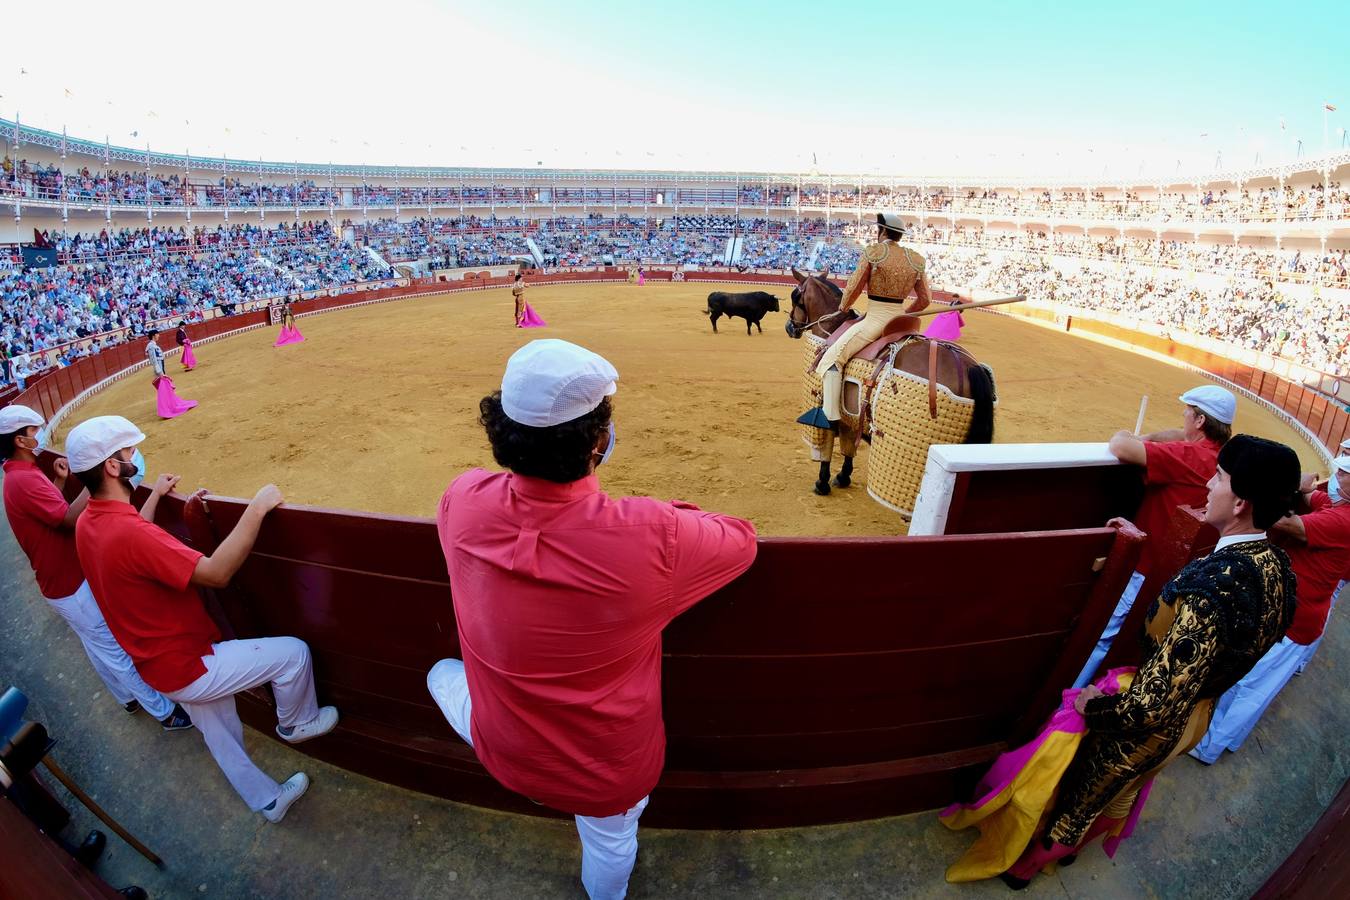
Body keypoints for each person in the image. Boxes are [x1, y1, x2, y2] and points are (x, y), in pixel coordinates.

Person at [427, 339, 757, 899]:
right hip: (607, 773)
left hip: (501, 749)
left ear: (500, 435)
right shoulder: (655, 535)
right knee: (610, 842)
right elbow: (741, 540)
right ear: (599, 441)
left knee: (439, 673)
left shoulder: (462, 499)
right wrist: (667, 516)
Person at [1001, 435, 1300, 888]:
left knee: (1083, 799)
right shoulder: (1275, 565)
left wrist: (1092, 707)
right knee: (1123, 794)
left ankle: (1023, 870)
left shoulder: (1214, 587)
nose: (1207, 484)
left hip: (1150, 728)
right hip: (1200, 713)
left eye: (1218, 478)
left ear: (1240, 503)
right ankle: (1069, 852)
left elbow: (1150, 706)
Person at [66, 415, 338, 822]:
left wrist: (154, 493)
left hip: (154, 667)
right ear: (111, 465)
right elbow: (215, 573)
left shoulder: (89, 521)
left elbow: (133, 530)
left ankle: (268, 800)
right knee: (293, 655)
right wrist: (258, 508)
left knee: (220, 735)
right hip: (189, 662)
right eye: (127, 452)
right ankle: (296, 722)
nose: (135, 456)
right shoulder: (129, 533)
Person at [0, 405, 190, 731]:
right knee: (114, 647)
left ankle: (125, 698)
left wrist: (60, 481)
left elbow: (47, 513)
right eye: (34, 431)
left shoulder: (18, 475)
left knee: (96, 644)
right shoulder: (23, 479)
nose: (40, 432)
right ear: (21, 440)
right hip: (69, 582)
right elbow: (64, 520)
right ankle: (165, 713)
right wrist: (98, 477)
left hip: (59, 581)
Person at [1188, 454, 1350, 763]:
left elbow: (1284, 522)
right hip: (1297, 611)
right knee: (1255, 684)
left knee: (1250, 686)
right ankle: (1224, 740)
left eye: (1344, 474)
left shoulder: (1342, 519)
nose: (1338, 474)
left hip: (1296, 619)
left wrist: (1275, 489)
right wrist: (1303, 489)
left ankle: (1209, 747)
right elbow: (1315, 497)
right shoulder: (1338, 507)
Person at [1072, 385, 1235, 688]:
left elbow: (1120, 446)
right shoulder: (1222, 459)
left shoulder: (1190, 454)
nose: (1184, 415)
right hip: (1174, 576)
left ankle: (1067, 705)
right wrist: (1164, 436)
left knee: (1104, 636)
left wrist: (1128, 434)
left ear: (1200, 421)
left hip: (1145, 569)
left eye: (1188, 411)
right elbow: (1177, 440)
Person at [798, 212, 931, 429]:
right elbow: (925, 299)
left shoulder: (874, 252)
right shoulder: (915, 259)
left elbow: (854, 286)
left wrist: (843, 308)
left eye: (878, 229)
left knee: (832, 358)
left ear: (884, 231)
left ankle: (829, 416)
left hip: (875, 320)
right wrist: (905, 312)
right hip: (902, 320)